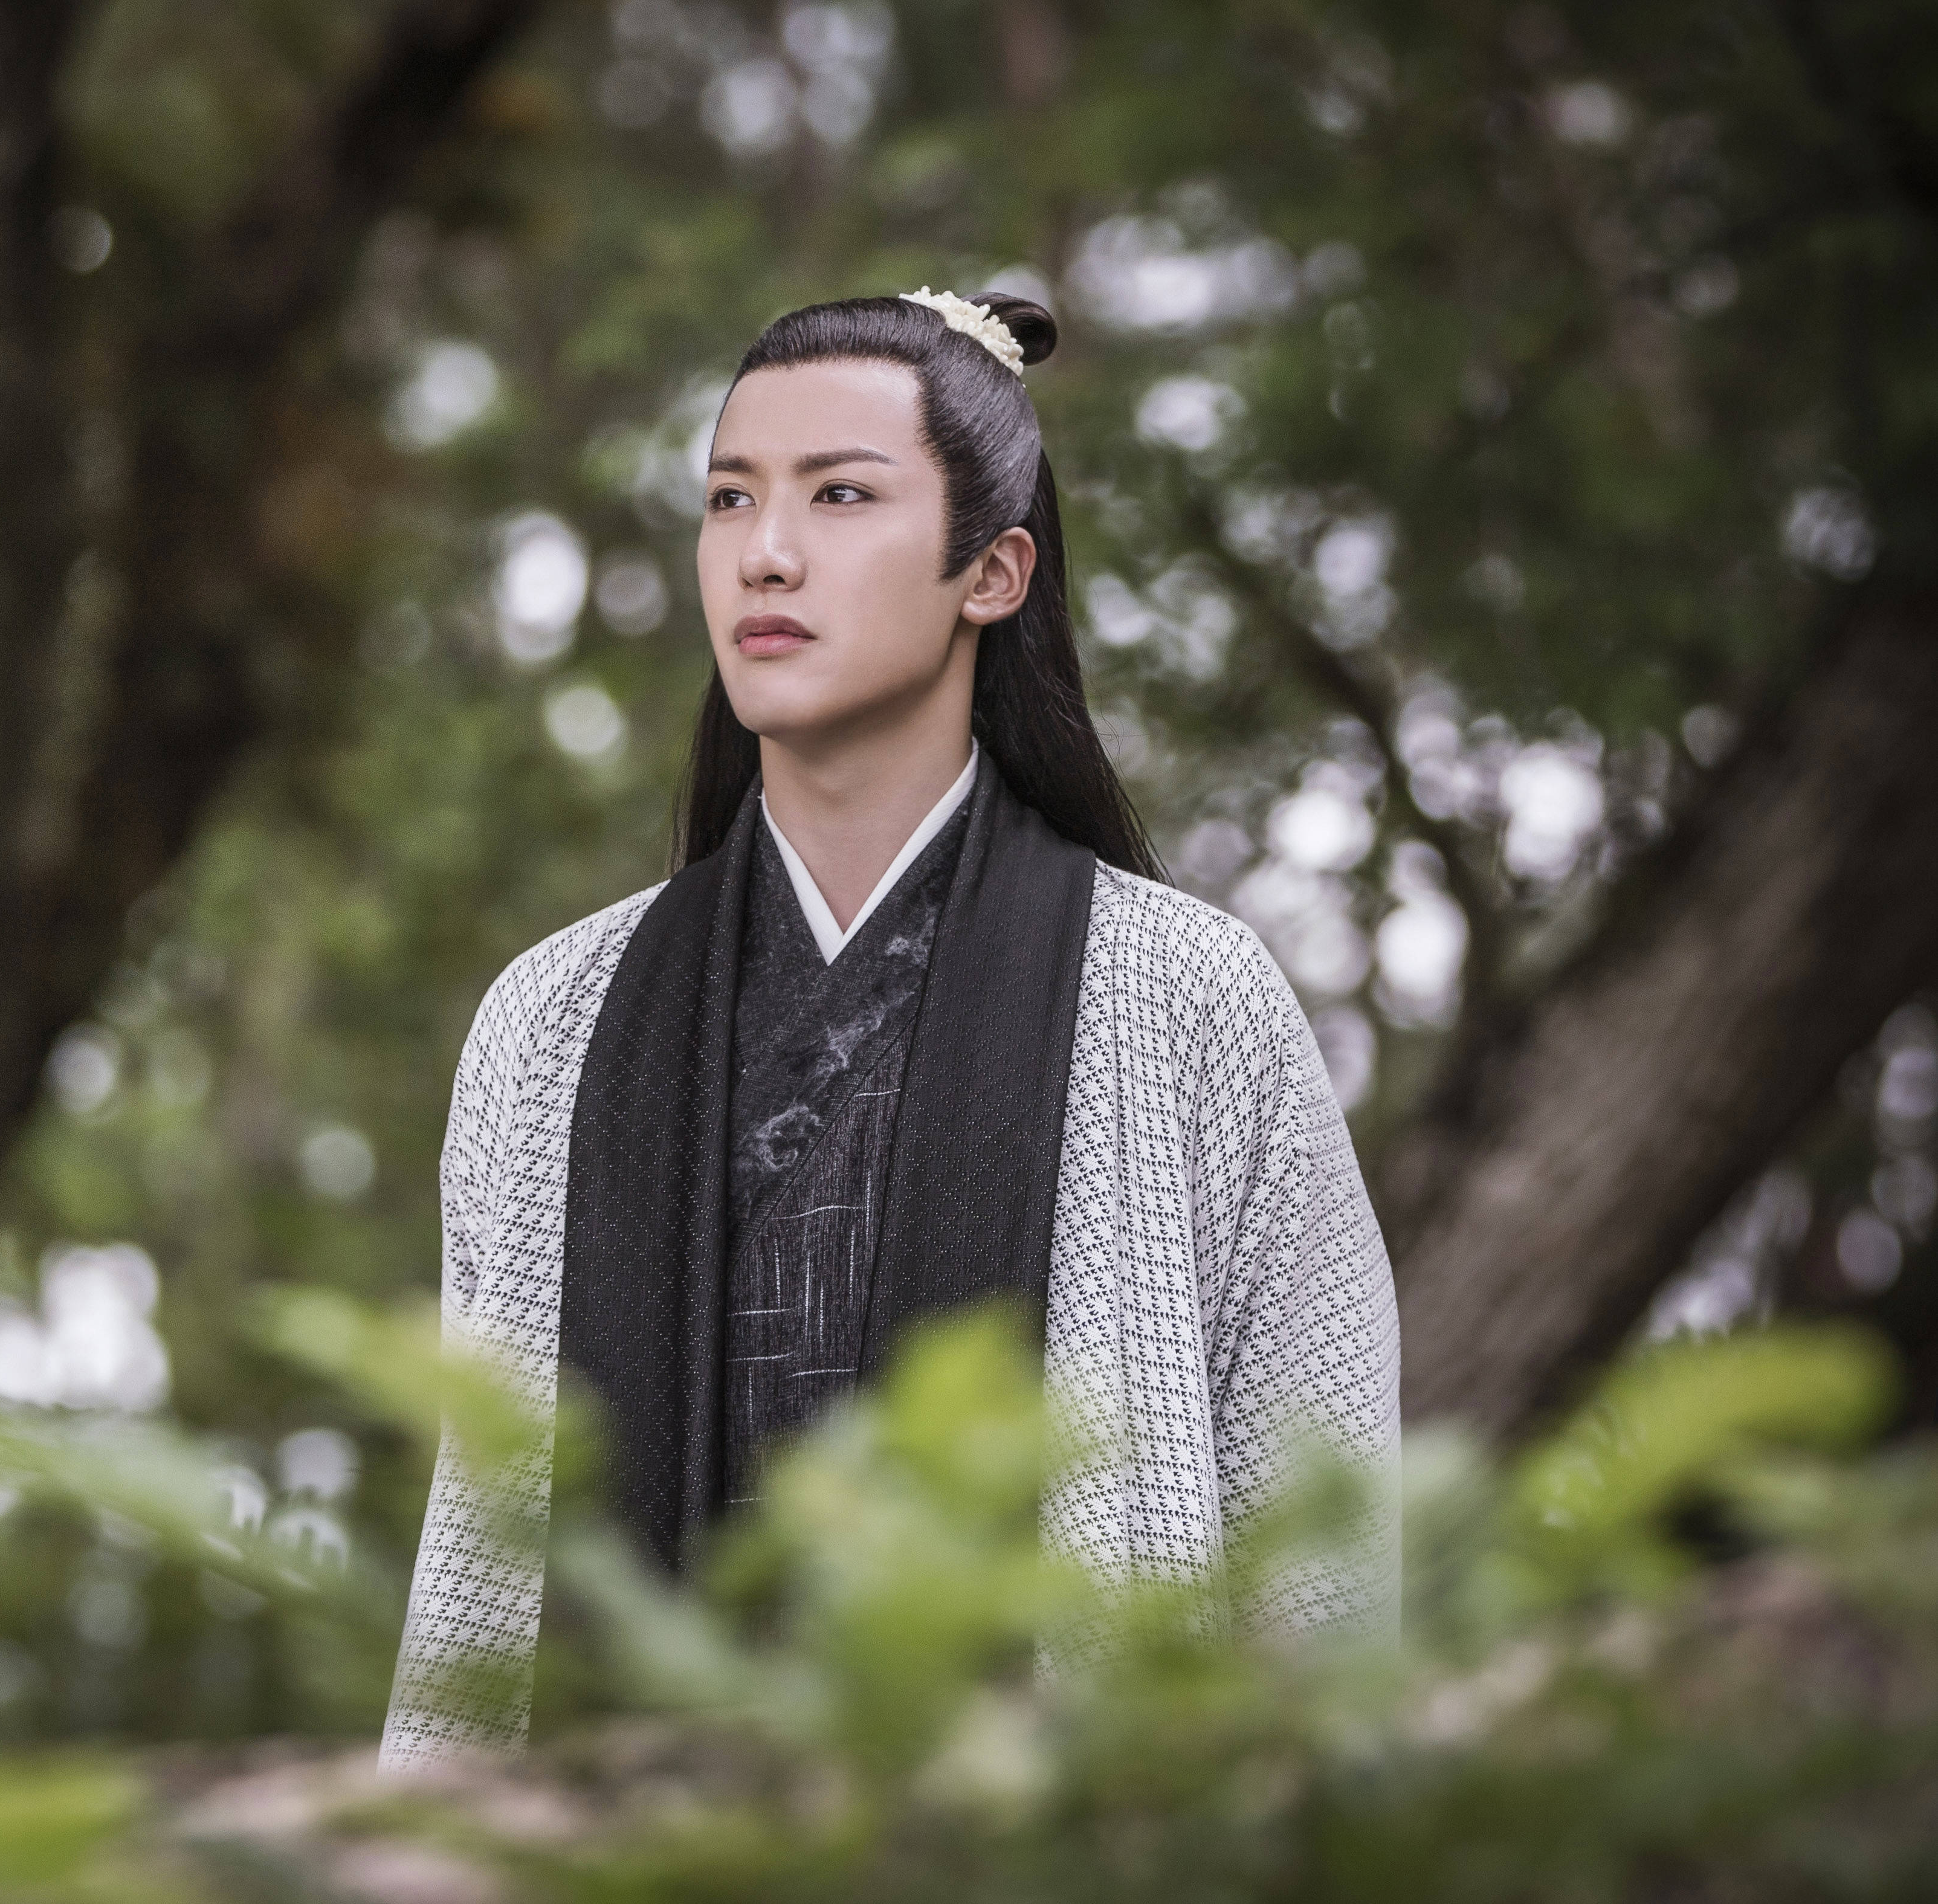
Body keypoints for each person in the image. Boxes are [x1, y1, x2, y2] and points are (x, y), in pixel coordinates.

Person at [377, 288, 1400, 1771]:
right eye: (731, 498)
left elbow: (1321, 1536)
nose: (764, 552)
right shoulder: (551, 1020)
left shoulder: (1186, 997)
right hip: (636, 1840)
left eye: (839, 495)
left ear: (992, 570)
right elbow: (484, 1540)